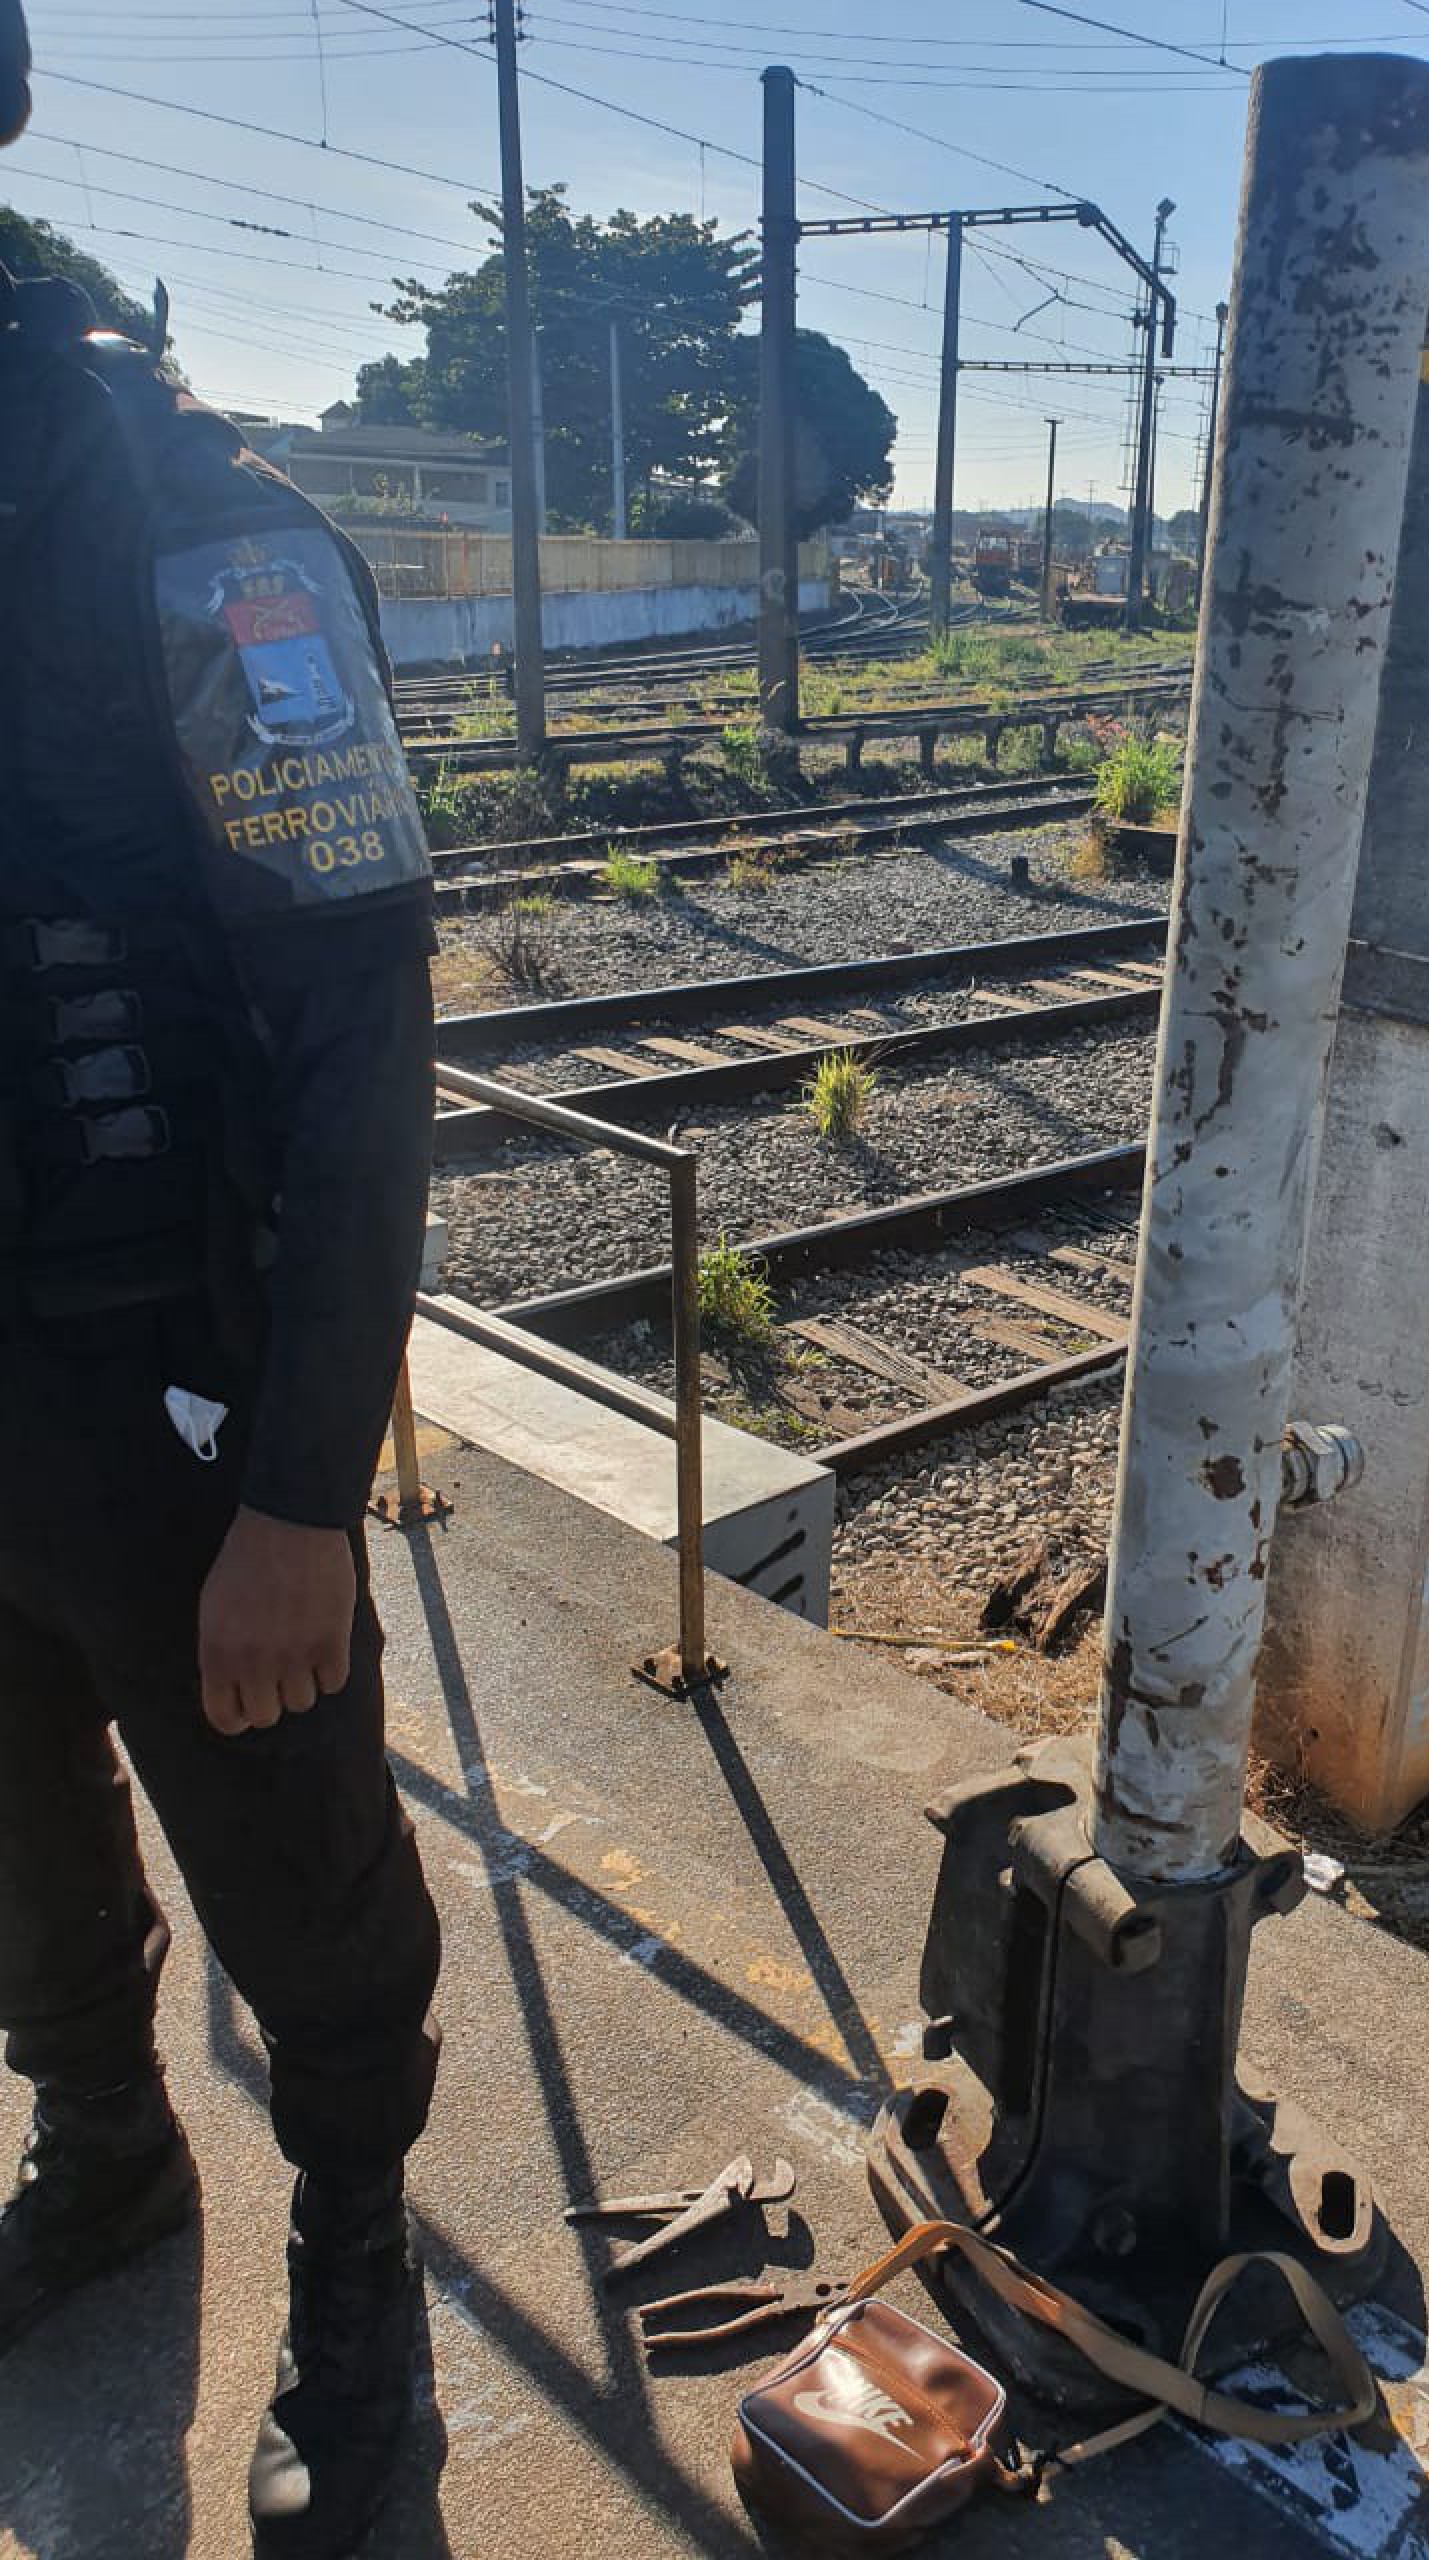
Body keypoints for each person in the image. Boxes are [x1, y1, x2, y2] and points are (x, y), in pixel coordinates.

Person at [0, 6, 444, 2551]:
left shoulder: (213, 539)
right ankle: (101, 2149)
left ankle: (360, 2279)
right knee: (22, 1848)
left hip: (171, 1400)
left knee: (315, 1902)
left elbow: (363, 1035)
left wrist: (301, 1483)